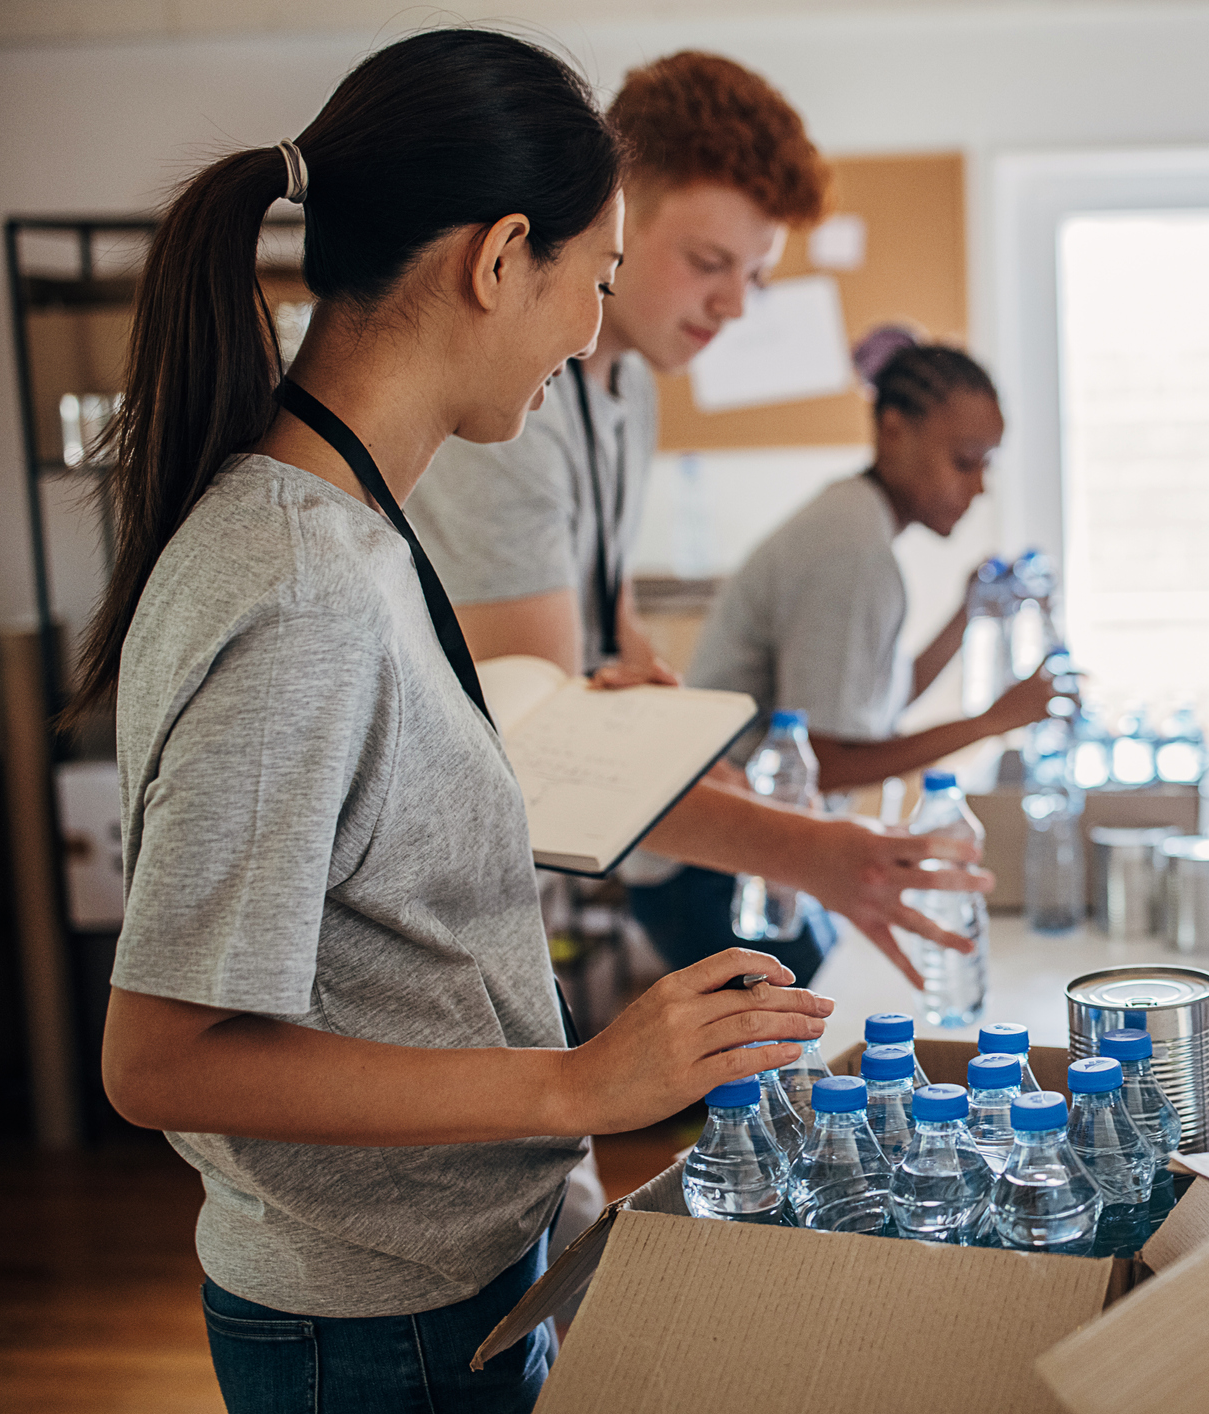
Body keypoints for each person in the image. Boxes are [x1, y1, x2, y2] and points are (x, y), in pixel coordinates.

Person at [81, 32, 834, 1412]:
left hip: (457, 1264)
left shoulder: (358, 529)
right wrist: (573, 1084)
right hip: (375, 1318)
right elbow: (159, 1055)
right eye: (591, 283)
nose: (593, 335)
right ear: (499, 262)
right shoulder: (299, 586)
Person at [406, 52, 979, 993]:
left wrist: (697, 750)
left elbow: (612, 628)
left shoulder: (627, 387)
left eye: (754, 274)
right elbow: (541, 726)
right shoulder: (517, 404)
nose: (733, 304)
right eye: (709, 263)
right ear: (613, 212)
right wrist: (807, 846)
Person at [685, 336, 1065, 791]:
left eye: (987, 465)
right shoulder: (853, 551)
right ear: (894, 431)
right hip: (708, 842)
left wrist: (967, 614)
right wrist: (991, 722)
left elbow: (876, 706)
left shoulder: (854, 519)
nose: (980, 488)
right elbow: (824, 765)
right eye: (964, 461)